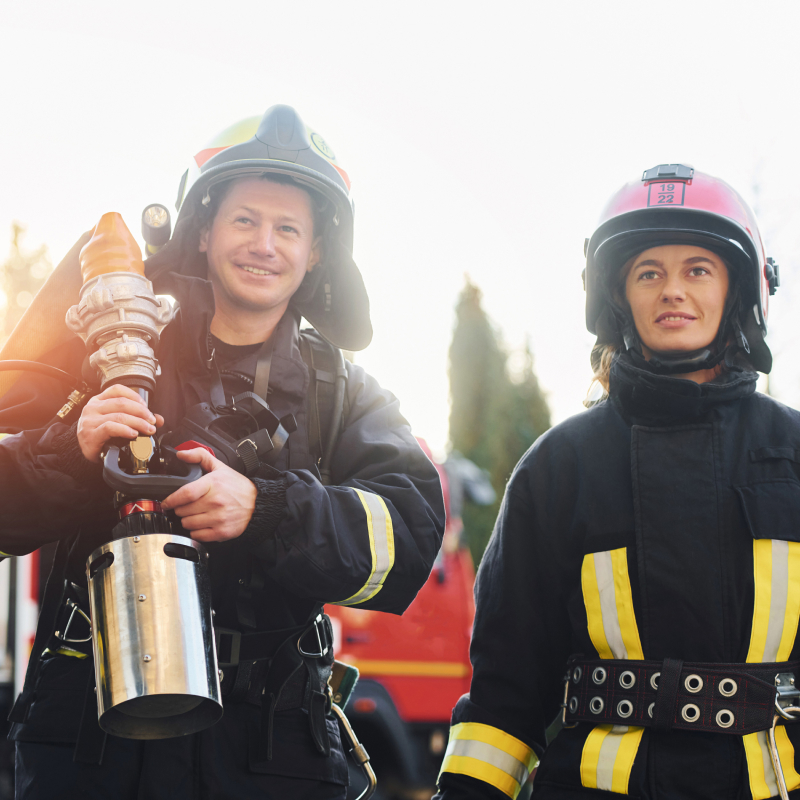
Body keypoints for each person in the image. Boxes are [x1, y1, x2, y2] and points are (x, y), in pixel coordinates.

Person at [0, 104, 445, 799]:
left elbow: (409, 541)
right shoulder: (103, 354)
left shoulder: (343, 395)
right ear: (203, 231)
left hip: (270, 749)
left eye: (287, 228)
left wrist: (267, 508)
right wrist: (70, 449)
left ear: (316, 252)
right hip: (88, 742)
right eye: (244, 220)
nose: (264, 244)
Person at [435, 164, 800, 800]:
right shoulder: (558, 468)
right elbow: (507, 688)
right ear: (618, 298)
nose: (672, 290)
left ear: (740, 290)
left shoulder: (793, 452)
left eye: (698, 269)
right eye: (648, 273)